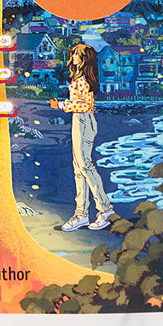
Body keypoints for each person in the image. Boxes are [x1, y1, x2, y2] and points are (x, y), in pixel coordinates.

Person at [50, 42, 115, 232]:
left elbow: (85, 105)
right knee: (79, 167)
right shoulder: (79, 77)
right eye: (73, 54)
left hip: (84, 120)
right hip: (79, 121)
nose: (72, 58)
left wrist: (61, 105)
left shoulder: (84, 79)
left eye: (76, 54)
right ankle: (81, 213)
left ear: (84, 58)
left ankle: (104, 209)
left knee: (85, 166)